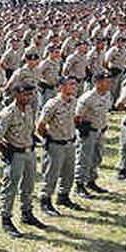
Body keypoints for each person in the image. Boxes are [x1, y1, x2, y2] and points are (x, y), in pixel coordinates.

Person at [0, 83, 44, 237]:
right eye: (24, 95)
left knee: (28, 185)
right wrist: (6, 152)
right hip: (15, 154)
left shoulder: (28, 109)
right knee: (10, 187)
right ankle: (6, 218)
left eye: (29, 94)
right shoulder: (7, 113)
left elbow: (30, 129)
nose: (28, 97)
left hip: (29, 152)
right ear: (16, 95)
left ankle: (27, 213)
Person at [37, 76, 80, 215]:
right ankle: (45, 200)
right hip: (55, 144)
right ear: (61, 87)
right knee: (51, 174)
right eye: (71, 84)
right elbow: (41, 126)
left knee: (69, 173)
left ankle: (63, 196)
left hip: (69, 142)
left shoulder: (74, 101)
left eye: (75, 84)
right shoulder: (53, 104)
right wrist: (49, 139)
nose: (74, 87)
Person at [74, 71, 113, 199]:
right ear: (97, 82)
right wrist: (83, 129)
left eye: (109, 81)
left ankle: (91, 181)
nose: (109, 84)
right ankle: (79, 184)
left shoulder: (107, 95)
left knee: (97, 157)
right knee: (84, 158)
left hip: (100, 130)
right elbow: (76, 116)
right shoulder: (87, 98)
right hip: (88, 131)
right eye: (106, 81)